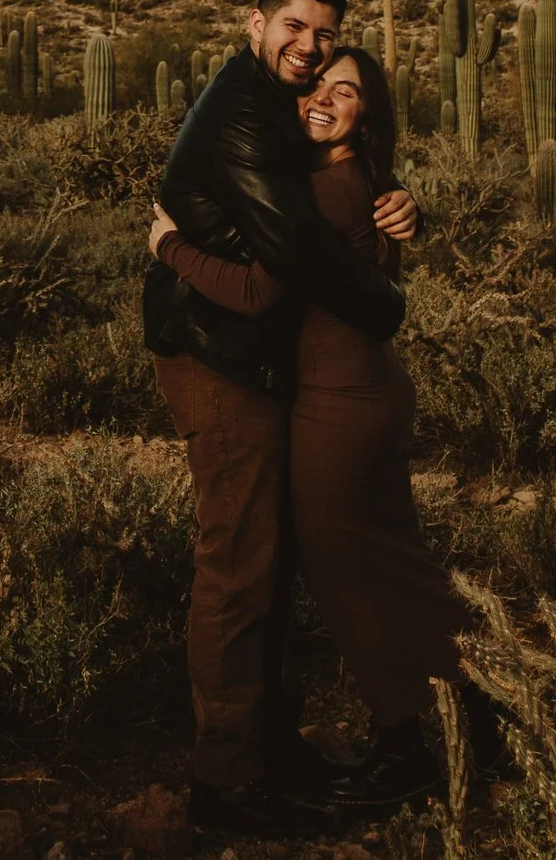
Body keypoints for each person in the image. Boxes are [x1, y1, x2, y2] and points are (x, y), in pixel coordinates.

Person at [150, 44, 472, 812]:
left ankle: (407, 745)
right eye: (319, 85)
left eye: (348, 93)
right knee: (391, 564)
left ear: (368, 119)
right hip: (358, 395)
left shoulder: (328, 188)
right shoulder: (333, 180)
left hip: (341, 405)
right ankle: (474, 711)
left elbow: (262, 291)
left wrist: (170, 247)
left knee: (347, 575)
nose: (324, 97)